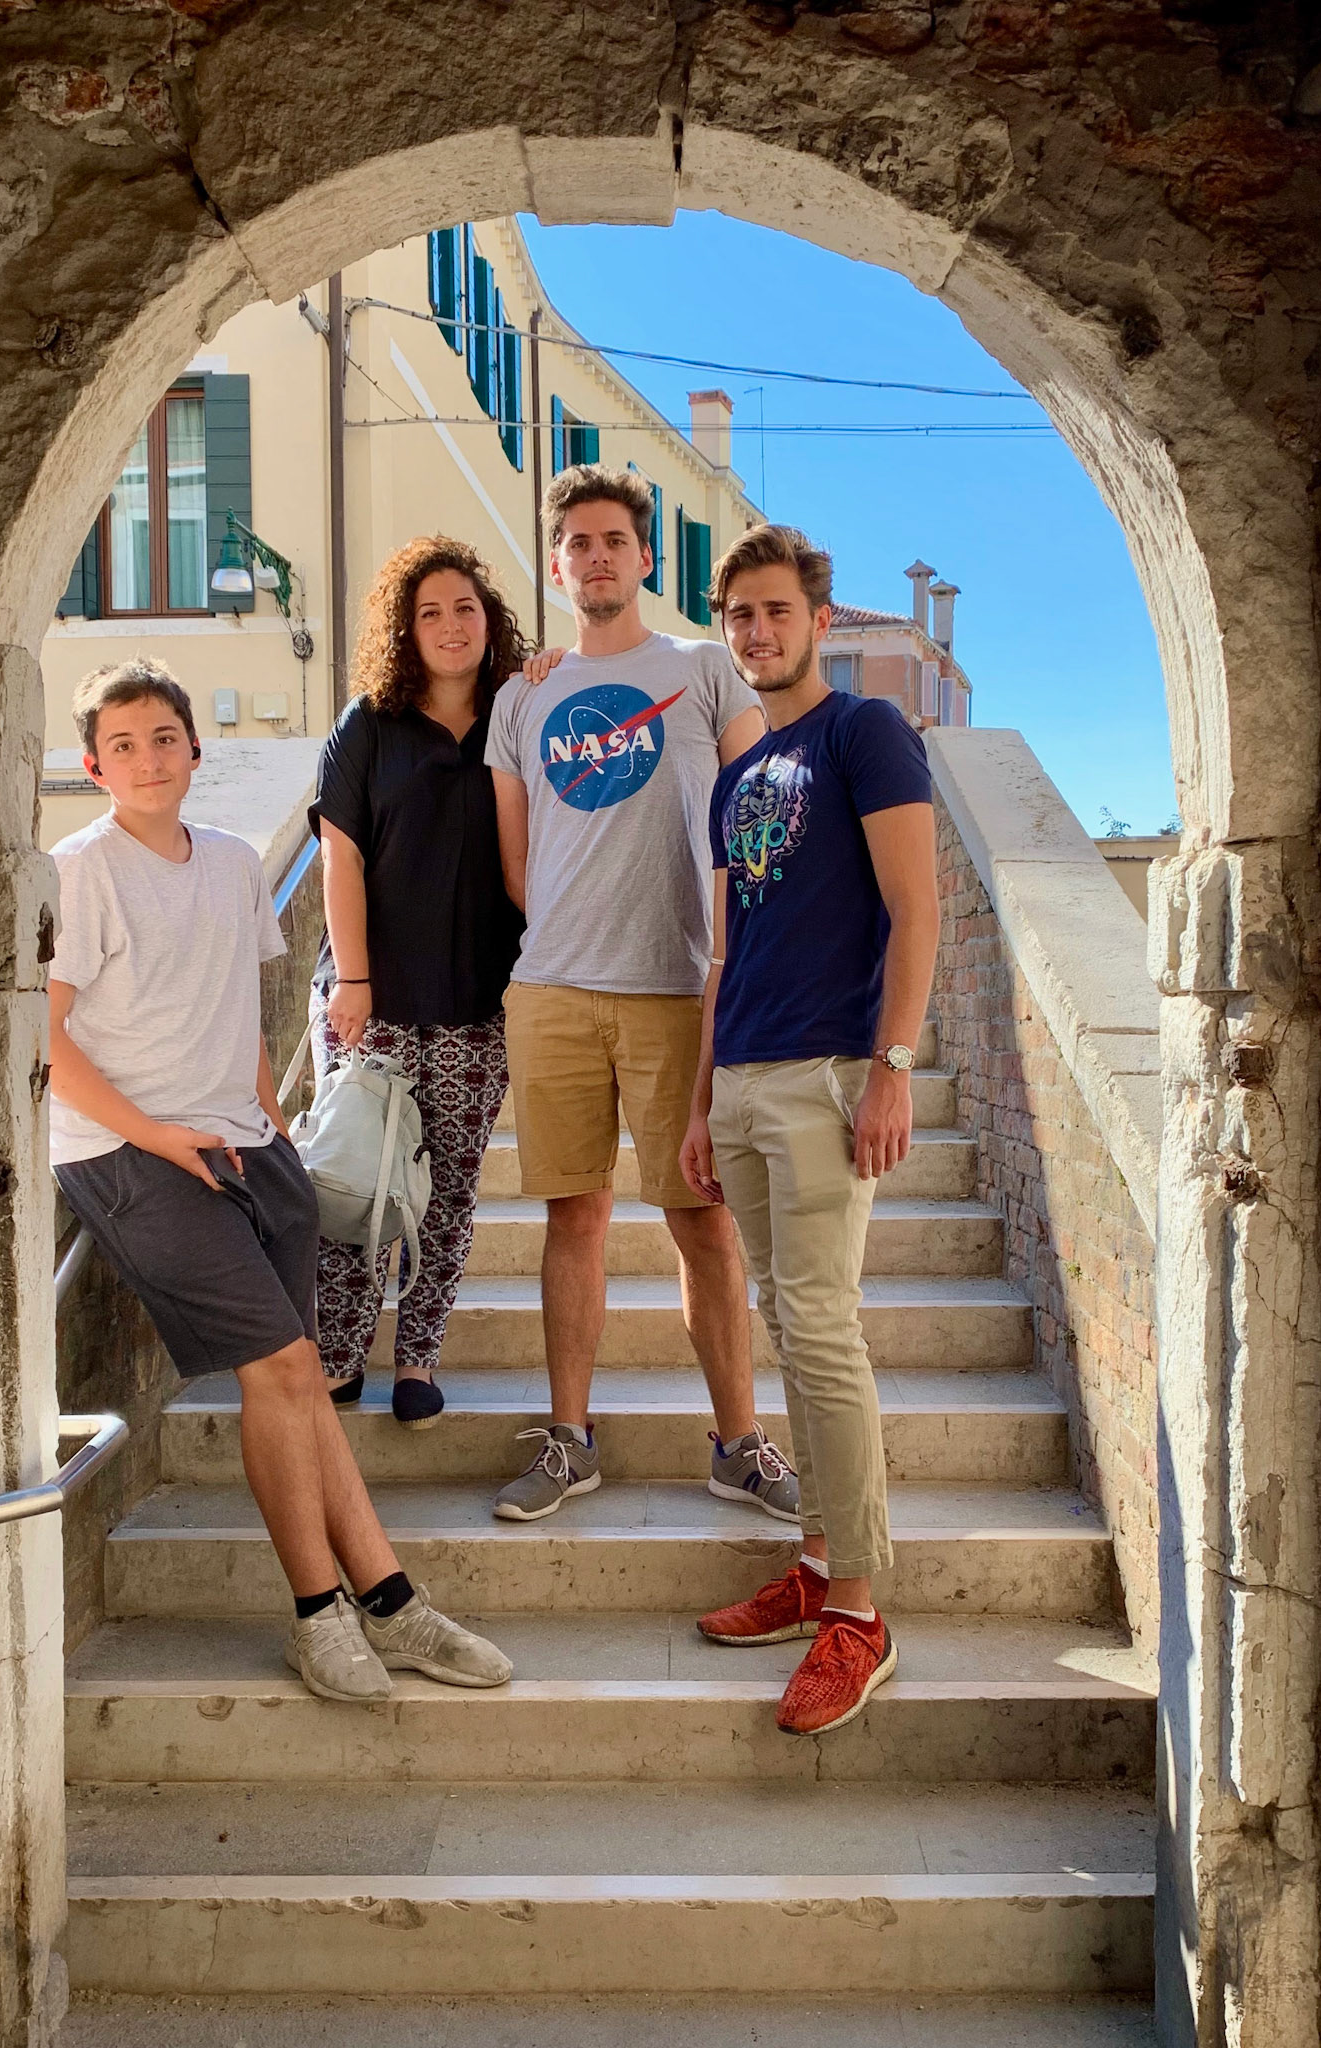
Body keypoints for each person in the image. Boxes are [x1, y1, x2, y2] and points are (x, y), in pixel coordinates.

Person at [48, 656, 512, 1703]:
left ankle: (389, 1603)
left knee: (300, 1378)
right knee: (289, 1371)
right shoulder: (79, 870)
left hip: (251, 1147)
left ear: (193, 749)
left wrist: (271, 1126)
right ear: (93, 767)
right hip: (128, 1153)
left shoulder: (226, 862)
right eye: (121, 745)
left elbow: (241, 1013)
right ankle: (319, 1614)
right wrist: (160, 1137)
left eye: (163, 738)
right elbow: (47, 1041)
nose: (147, 758)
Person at [484, 463, 799, 1525]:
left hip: (679, 988)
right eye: (577, 542)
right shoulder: (523, 693)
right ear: (556, 564)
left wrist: (741, 957)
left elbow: (761, 822)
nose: (596, 556)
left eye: (614, 539)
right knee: (572, 1218)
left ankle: (738, 1444)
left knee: (700, 1223)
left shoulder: (704, 669)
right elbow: (516, 859)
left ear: (646, 557)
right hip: (553, 989)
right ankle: (568, 1440)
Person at [679, 525, 939, 1737]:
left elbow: (913, 904)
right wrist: (701, 1099)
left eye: (776, 610)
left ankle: (858, 1614)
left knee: (822, 1332)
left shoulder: (861, 731)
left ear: (817, 620)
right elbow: (725, 951)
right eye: (738, 613)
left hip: (830, 1073)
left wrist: (892, 1068)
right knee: (788, 1323)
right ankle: (817, 1556)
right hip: (741, 1077)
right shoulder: (739, 772)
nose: (756, 630)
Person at [308, 539, 527, 1426]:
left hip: (478, 1000)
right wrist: (354, 978)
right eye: (428, 612)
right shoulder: (368, 724)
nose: (449, 625)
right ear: (405, 629)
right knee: (355, 1180)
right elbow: (340, 857)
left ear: (490, 620)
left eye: (464, 608)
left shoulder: (518, 716)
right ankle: (338, 1357)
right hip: (374, 999)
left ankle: (418, 1360)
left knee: (449, 1192)